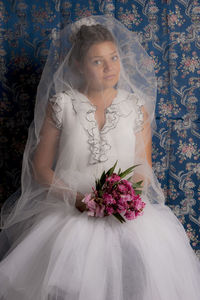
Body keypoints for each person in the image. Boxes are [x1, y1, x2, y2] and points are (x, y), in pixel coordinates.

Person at [0, 15, 200, 300]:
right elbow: (41, 168)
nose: (109, 68)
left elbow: (143, 166)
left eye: (114, 58)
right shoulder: (63, 105)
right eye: (97, 61)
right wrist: (77, 199)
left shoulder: (134, 107)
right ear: (78, 65)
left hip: (126, 214)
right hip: (69, 212)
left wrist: (127, 197)